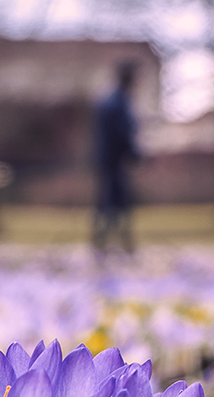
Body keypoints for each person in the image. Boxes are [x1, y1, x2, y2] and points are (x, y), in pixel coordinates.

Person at [93, 61, 141, 256]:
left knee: (112, 200)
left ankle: (107, 242)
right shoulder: (117, 102)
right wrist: (134, 152)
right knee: (113, 200)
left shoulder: (116, 100)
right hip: (112, 160)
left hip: (110, 159)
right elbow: (121, 133)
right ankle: (112, 243)